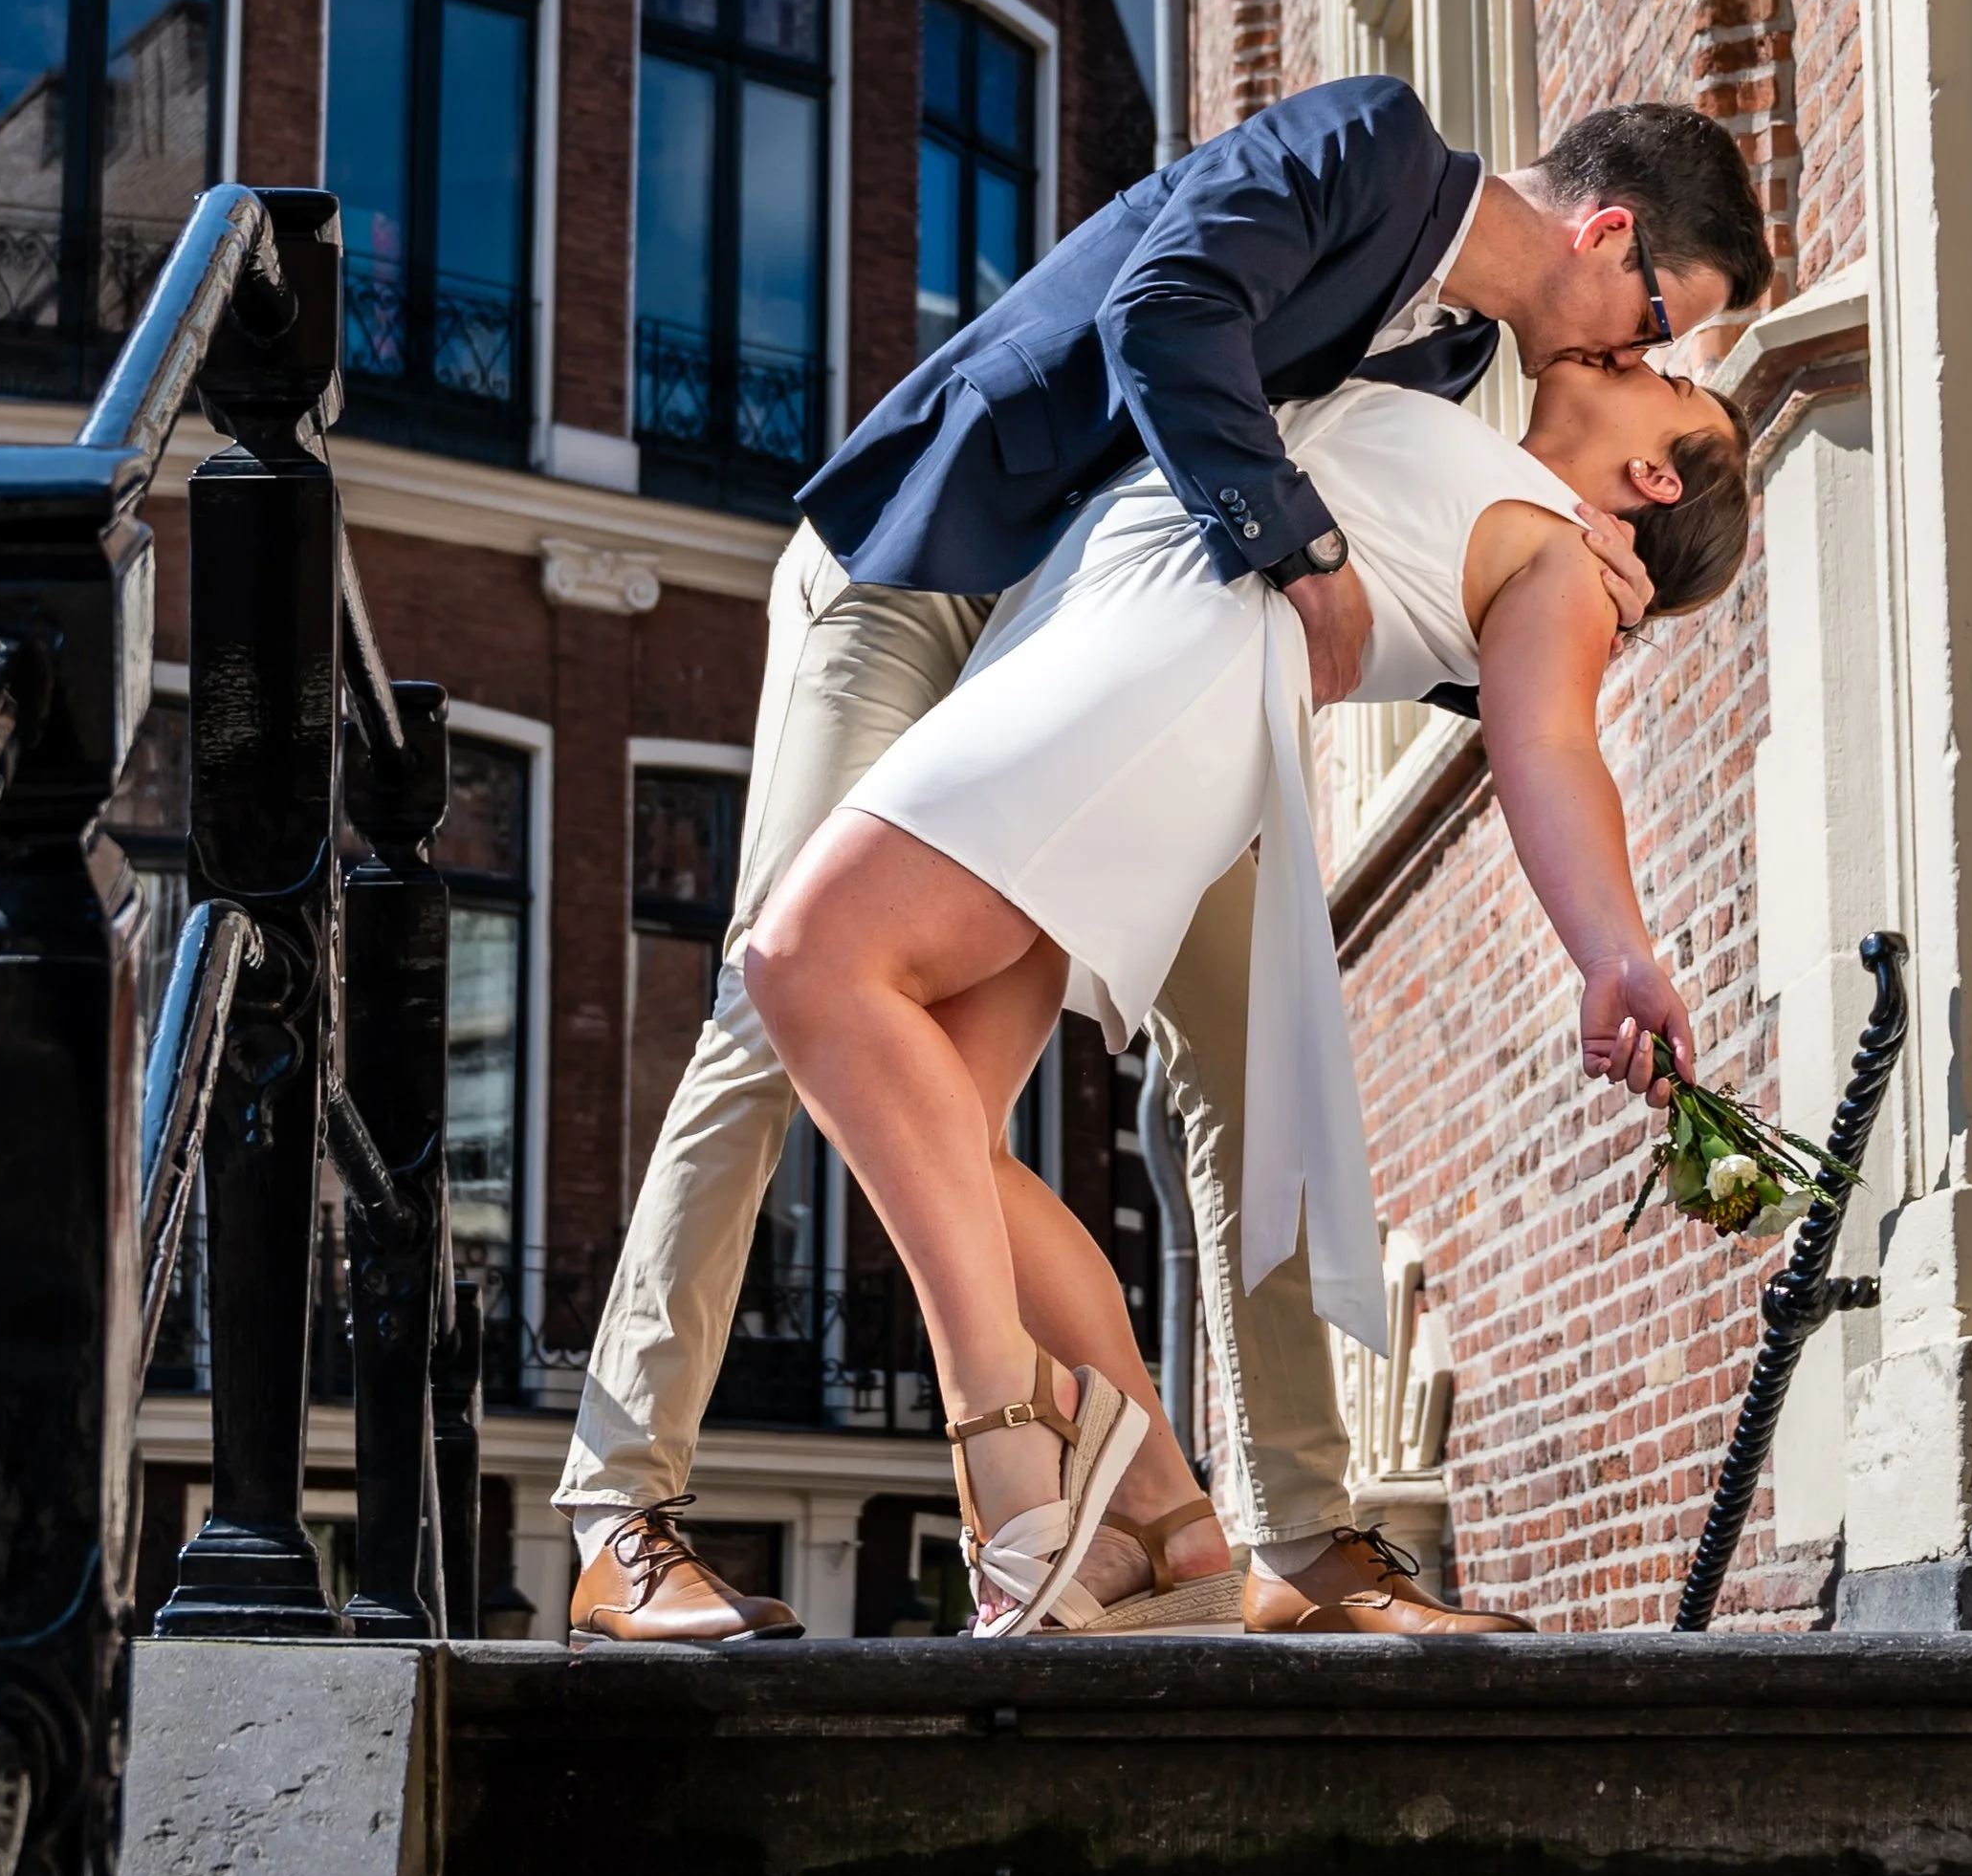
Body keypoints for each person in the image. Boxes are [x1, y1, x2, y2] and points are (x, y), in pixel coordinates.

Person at [559, 79, 1773, 1644]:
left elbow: (1423, 567)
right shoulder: (1375, 148)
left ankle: (1292, 1538)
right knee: (775, 1002)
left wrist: (1585, 588)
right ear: (1612, 236)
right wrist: (1325, 553)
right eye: (1670, 319)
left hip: (1143, 654)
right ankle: (623, 1512)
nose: (1651, 359)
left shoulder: (1461, 355)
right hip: (935, 565)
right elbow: (1167, 312)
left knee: (1251, 1057)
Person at [741, 347, 1752, 1634]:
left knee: (806, 963)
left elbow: (1547, 743)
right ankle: (1161, 1520)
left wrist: (1613, 949)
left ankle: (1015, 1437)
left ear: (1651, 473)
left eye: (1673, 380)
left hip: (1155, 681)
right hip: (1102, 632)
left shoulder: (1570, 565)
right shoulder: (1478, 425)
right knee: (939, 1125)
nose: (1650, 349)